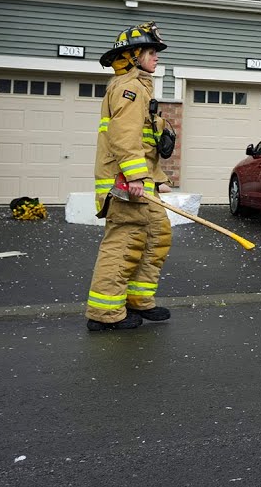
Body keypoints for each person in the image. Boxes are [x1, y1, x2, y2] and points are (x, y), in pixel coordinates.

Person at [86, 22, 174, 332]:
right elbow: (124, 135)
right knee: (124, 242)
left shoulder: (140, 86)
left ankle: (138, 299)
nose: (156, 57)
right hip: (124, 185)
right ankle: (105, 313)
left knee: (156, 234)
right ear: (133, 55)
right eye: (151, 51)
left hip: (139, 181)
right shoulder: (130, 87)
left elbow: (144, 141)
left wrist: (157, 177)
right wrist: (135, 177)